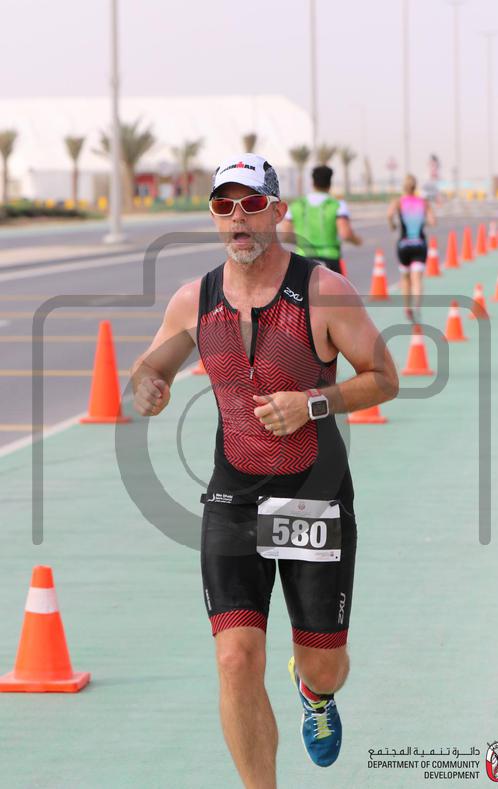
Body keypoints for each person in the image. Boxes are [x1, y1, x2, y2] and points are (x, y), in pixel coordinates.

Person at [131, 153, 398, 788]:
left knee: (324, 666)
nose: (238, 219)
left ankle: (315, 693)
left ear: (277, 211)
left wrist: (311, 403)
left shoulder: (325, 291)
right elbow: (150, 366)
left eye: (251, 204)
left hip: (313, 495)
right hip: (234, 498)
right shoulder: (194, 300)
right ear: (214, 217)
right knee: (235, 657)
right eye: (224, 206)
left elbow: (384, 378)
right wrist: (147, 385)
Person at [280, 165, 362, 275]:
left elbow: (286, 235)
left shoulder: (296, 205)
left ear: (312, 183)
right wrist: (357, 241)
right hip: (330, 259)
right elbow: (346, 234)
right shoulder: (337, 205)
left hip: (302, 260)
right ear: (330, 183)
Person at [387, 174, 436, 323]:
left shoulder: (398, 202)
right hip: (419, 244)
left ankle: (407, 308)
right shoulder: (424, 202)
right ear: (415, 186)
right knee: (417, 278)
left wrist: (393, 225)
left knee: (405, 278)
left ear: (404, 187)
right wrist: (423, 222)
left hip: (404, 245)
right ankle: (417, 307)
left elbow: (389, 215)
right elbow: (433, 221)